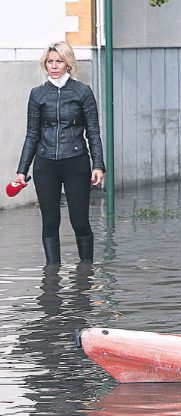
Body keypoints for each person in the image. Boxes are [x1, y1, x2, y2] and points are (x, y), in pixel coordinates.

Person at [14, 41, 105, 266]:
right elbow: (31, 134)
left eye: (59, 61)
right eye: (50, 61)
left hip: (76, 163)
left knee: (80, 221)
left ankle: (87, 272)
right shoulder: (37, 94)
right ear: (45, 64)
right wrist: (21, 171)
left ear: (68, 64)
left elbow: (93, 131)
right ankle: (52, 276)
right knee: (50, 222)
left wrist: (98, 165)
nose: (54, 66)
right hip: (46, 165)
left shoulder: (82, 92)